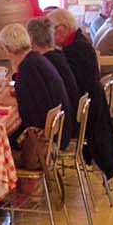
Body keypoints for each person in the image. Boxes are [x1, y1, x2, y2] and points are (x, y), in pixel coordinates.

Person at [48, 8, 113, 181]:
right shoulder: (79, 41)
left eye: (51, 30)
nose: (50, 35)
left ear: (63, 28)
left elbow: (68, 86)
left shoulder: (74, 50)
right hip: (92, 110)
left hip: (82, 118)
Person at [0, 23, 69, 157]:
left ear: (7, 49)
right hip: (59, 132)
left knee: (0, 141)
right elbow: (34, 98)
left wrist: (3, 100)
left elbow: (26, 107)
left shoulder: (28, 68)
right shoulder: (36, 60)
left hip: (43, 141)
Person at [27, 16, 78, 147]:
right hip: (67, 122)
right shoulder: (57, 56)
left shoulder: (42, 63)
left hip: (58, 132)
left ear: (30, 39)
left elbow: (35, 101)